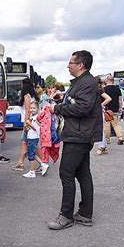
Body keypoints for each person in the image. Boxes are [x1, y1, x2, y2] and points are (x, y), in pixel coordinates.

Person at [48, 50, 102, 230]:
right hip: (80, 134)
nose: (68, 65)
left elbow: (83, 108)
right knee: (83, 173)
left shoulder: (86, 82)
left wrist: (57, 108)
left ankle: (66, 216)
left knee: (66, 173)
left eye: (71, 63)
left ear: (81, 65)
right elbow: (76, 101)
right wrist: (63, 98)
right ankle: (85, 214)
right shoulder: (84, 82)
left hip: (78, 136)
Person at [11, 78, 40, 171]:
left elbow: (27, 110)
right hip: (32, 122)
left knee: (26, 143)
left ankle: (42, 163)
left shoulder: (26, 96)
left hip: (28, 123)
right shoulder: (33, 96)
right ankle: (21, 162)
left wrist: (25, 123)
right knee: (27, 143)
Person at [103, 76, 124, 145]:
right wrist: (120, 107)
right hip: (115, 109)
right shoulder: (117, 88)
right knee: (116, 124)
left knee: (107, 124)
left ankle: (107, 139)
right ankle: (120, 137)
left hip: (107, 109)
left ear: (107, 80)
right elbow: (120, 99)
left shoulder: (104, 89)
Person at [22, 101, 40, 178]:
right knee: (32, 153)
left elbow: (36, 128)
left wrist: (29, 123)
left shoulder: (36, 117)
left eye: (34, 108)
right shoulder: (33, 117)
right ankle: (43, 164)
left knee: (31, 155)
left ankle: (32, 172)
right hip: (31, 137)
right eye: (31, 108)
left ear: (38, 109)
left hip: (33, 138)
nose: (32, 110)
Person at [95, 76, 112, 155]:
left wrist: (101, 104)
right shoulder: (99, 90)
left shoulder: (98, 91)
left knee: (100, 129)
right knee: (100, 129)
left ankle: (101, 147)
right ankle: (103, 146)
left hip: (98, 112)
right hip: (99, 112)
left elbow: (108, 98)